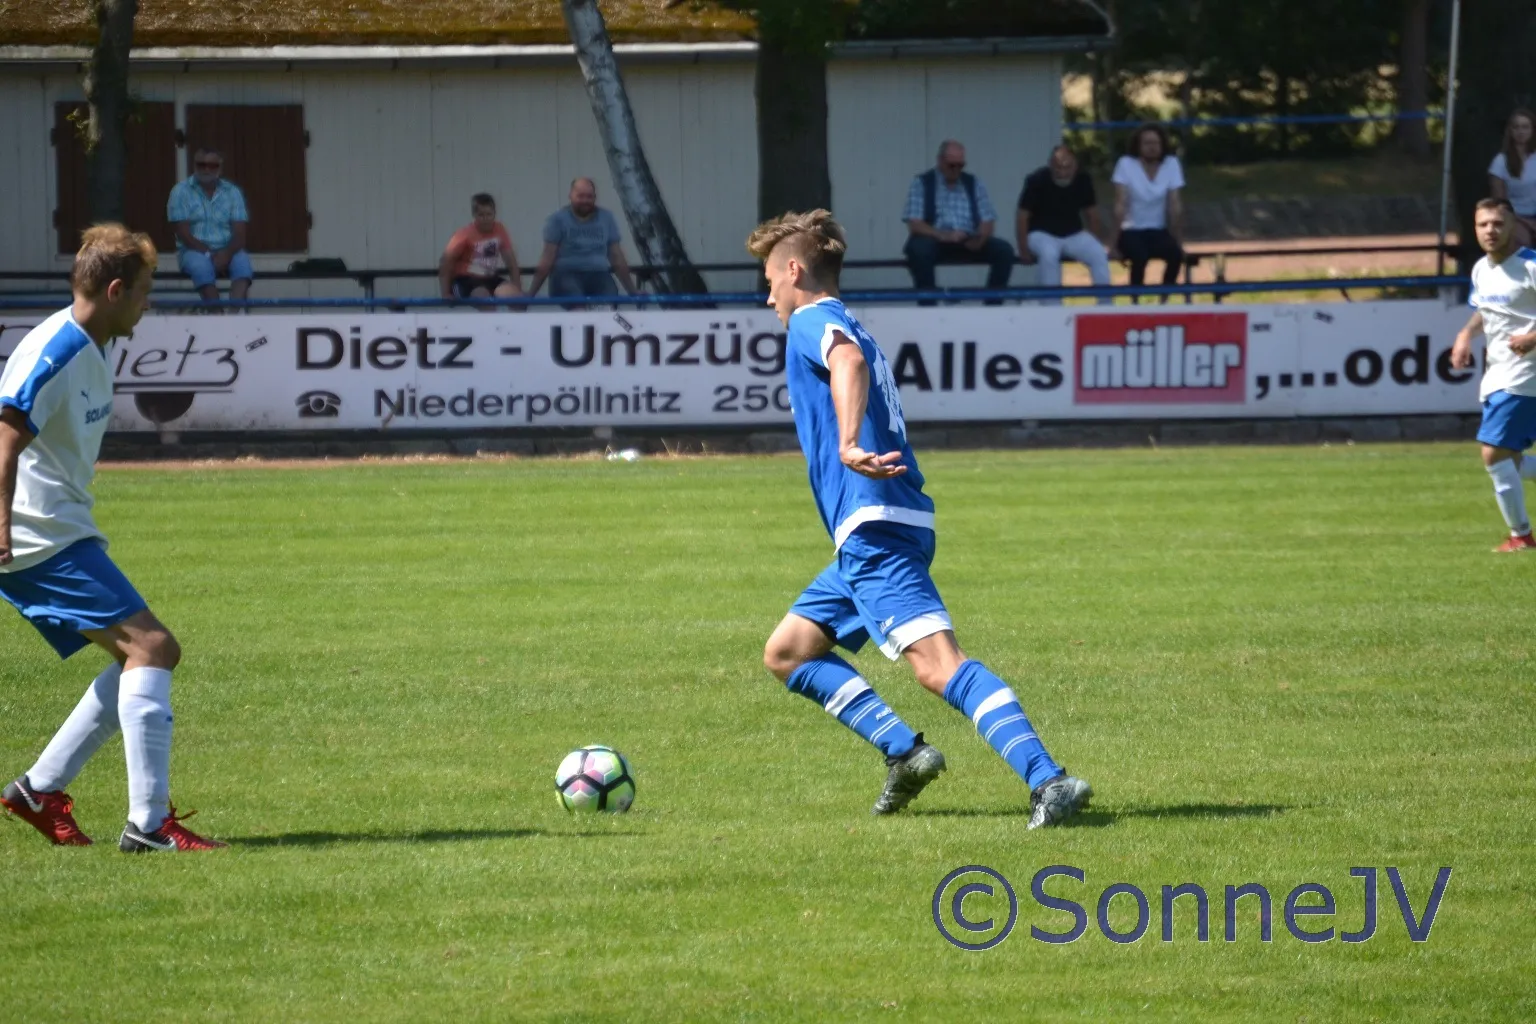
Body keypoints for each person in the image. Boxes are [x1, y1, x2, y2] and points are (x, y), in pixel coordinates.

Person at [744, 209, 1091, 828]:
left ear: (794, 271)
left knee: (938, 666)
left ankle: (1049, 781)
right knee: (789, 652)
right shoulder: (847, 319)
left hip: (874, 525)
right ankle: (905, 753)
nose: (767, 296)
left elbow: (846, 364)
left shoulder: (811, 320)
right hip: (879, 525)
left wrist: (848, 443)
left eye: (769, 280)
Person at [0, 224, 224, 852]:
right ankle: (148, 827)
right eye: (145, 292)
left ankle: (37, 792)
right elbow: (4, 437)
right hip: (36, 538)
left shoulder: (92, 344)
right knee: (152, 647)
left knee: (138, 655)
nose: (148, 305)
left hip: (58, 529)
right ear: (117, 290)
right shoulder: (57, 353)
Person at [1450, 197, 1536, 553]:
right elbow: (1485, 311)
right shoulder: (1481, 269)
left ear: (1513, 225)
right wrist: (1464, 335)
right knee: (1510, 458)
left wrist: (1532, 338)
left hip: (1526, 374)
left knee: (1494, 454)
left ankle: (1521, 536)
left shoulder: (1530, 265)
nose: (1490, 230)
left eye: (1498, 223)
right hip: (1497, 372)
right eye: (1483, 224)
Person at [902, 140, 1015, 305]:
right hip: (935, 238)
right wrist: (944, 236)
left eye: (960, 166)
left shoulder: (973, 182)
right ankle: (928, 306)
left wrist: (981, 238)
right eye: (951, 165)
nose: (956, 170)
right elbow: (915, 223)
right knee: (919, 250)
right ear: (940, 161)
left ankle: (993, 305)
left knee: (1004, 251)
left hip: (967, 238)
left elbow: (988, 219)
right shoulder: (922, 182)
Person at [1016, 144, 1112, 303]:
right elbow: (1022, 216)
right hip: (1041, 234)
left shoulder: (1083, 179)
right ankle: (1052, 307)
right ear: (1050, 165)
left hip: (1073, 234)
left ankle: (1105, 306)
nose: (1062, 173)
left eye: (1067, 167)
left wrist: (1093, 240)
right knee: (1049, 254)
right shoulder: (1036, 180)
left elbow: (1092, 214)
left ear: (1075, 165)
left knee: (1098, 253)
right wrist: (1023, 249)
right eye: (1058, 167)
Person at [166, 146, 252, 302]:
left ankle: (234, 314)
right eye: (201, 165)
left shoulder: (233, 192)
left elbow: (240, 233)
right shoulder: (180, 192)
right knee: (201, 267)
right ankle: (216, 313)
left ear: (220, 168)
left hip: (228, 248)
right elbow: (183, 233)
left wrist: (226, 253)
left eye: (212, 165)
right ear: (194, 165)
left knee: (243, 265)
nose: (206, 169)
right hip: (193, 250)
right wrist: (208, 254)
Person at [527, 178, 636, 301]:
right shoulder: (557, 219)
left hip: (599, 274)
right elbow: (547, 257)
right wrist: (530, 295)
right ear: (570, 196)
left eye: (589, 197)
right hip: (566, 274)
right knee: (576, 302)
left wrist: (633, 292)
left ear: (595, 197)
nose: (585, 201)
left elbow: (616, 256)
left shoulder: (606, 218)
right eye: (580, 196)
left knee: (609, 300)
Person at [1112, 124, 1186, 301]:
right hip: (1131, 229)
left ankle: (1164, 299)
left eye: (1156, 143)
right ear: (1138, 146)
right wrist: (1113, 243)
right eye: (1147, 143)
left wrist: (1178, 240)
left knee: (1175, 255)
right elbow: (1120, 204)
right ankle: (1135, 301)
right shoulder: (1125, 164)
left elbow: (1175, 204)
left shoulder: (1171, 164)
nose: (1152, 147)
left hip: (1158, 229)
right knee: (1139, 256)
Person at [438, 193, 524, 311]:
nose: (485, 219)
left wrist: (518, 289)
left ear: (494, 214)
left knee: (518, 300)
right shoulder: (464, 234)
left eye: (489, 214)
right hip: (466, 280)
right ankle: (491, 322)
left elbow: (511, 262)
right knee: (484, 300)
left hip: (490, 278)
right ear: (474, 215)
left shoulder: (499, 230)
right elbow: (446, 261)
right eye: (481, 215)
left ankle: (516, 321)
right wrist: (445, 293)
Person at [1487, 108, 1536, 248]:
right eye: (1516, 127)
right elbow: (1500, 203)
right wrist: (1525, 222)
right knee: (1522, 242)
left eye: (1525, 127)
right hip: (1514, 218)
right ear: (1510, 131)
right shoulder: (1500, 162)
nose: (1521, 132)